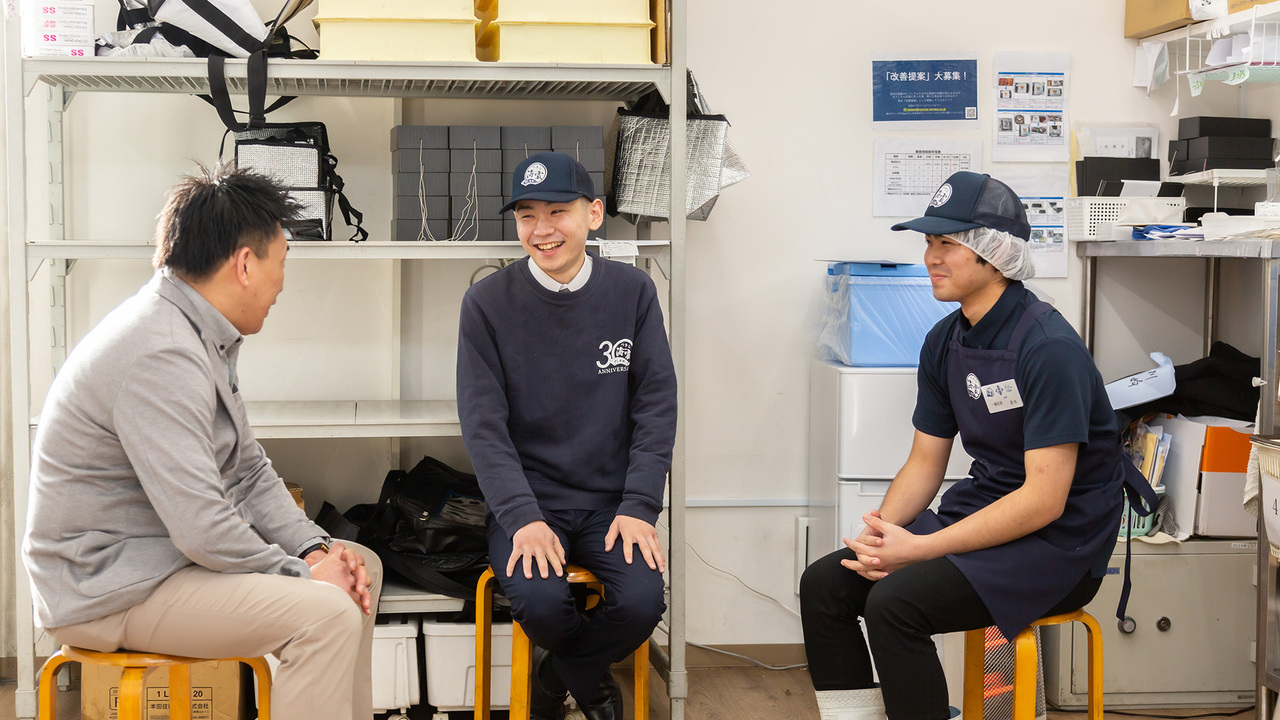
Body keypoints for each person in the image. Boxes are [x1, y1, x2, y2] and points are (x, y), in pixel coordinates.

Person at [22, 164, 383, 720]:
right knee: (327, 612)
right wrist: (301, 575)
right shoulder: (160, 352)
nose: (282, 284)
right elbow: (201, 526)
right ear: (245, 264)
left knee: (359, 564)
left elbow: (247, 473)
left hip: (157, 562)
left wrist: (316, 550)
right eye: (281, 261)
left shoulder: (198, 332)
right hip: (108, 586)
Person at [799, 171, 1156, 720]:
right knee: (828, 583)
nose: (931, 257)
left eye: (949, 244)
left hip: (1060, 544)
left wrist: (917, 550)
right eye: (928, 243)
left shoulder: (1048, 349)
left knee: (895, 605)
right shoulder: (945, 340)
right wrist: (881, 538)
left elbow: (1044, 500)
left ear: (994, 256)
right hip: (986, 512)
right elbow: (924, 462)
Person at [457, 151, 677, 720]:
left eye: (559, 211)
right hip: (531, 506)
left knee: (643, 602)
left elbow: (656, 405)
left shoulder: (633, 292)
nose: (542, 229)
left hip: (612, 505)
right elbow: (483, 426)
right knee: (539, 602)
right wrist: (522, 516)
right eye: (527, 215)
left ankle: (560, 677)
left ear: (594, 214)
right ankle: (588, 679)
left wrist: (640, 504)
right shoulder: (486, 303)